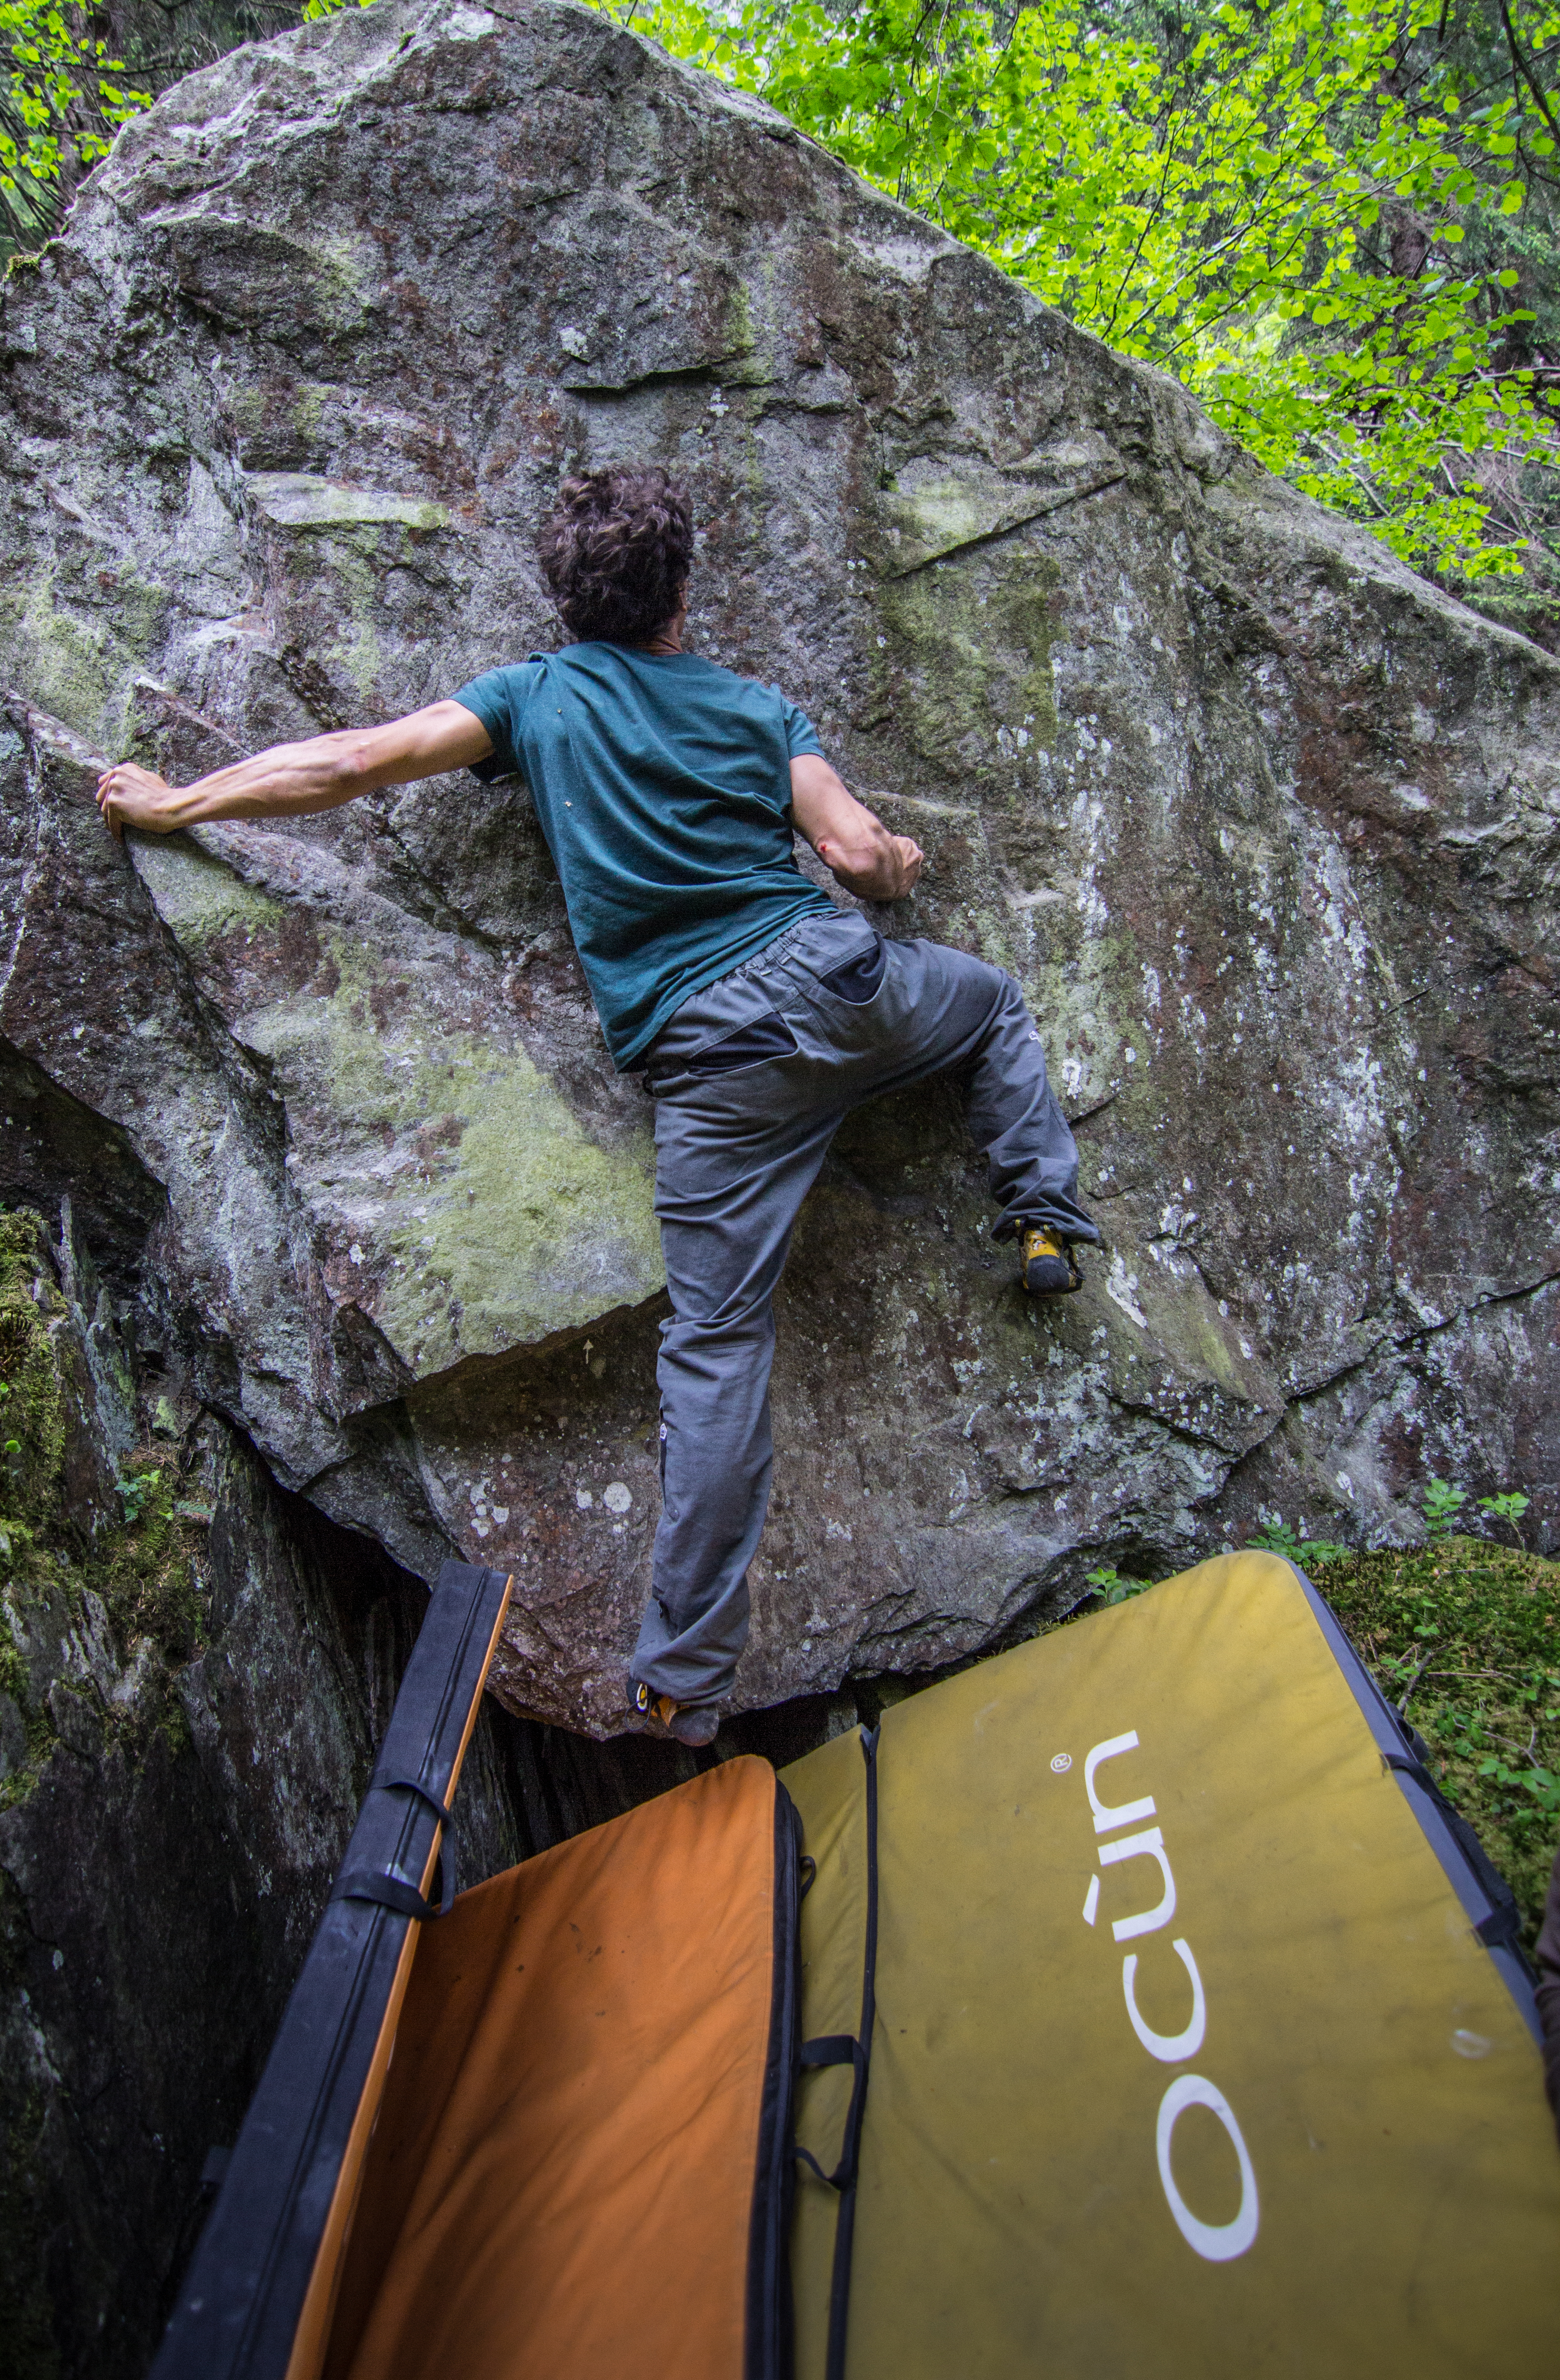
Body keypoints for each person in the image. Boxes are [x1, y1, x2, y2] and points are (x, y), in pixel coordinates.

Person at [98, 464, 1099, 1745]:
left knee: (719, 1346)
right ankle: (1043, 1220)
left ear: (566, 600)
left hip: (708, 1066)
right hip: (840, 987)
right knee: (994, 1005)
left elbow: (355, 762)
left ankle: (681, 1676)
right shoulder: (752, 707)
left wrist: (176, 801)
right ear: (682, 591)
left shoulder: (531, 699)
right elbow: (853, 856)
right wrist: (898, 861)